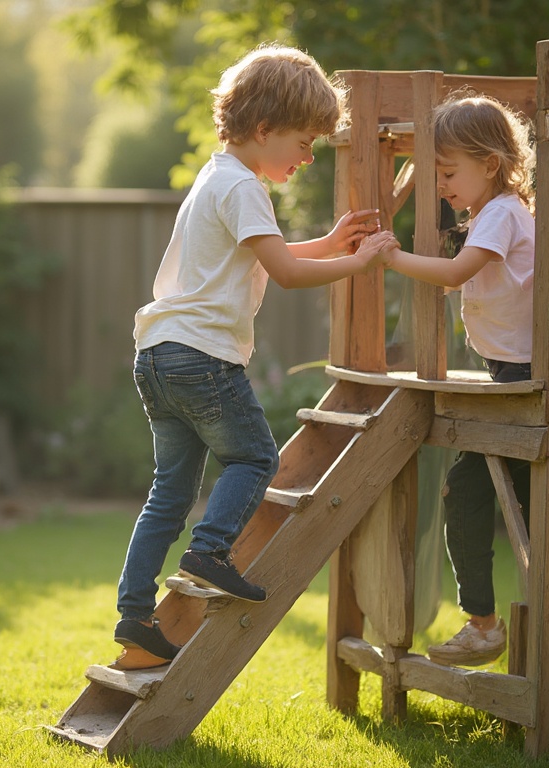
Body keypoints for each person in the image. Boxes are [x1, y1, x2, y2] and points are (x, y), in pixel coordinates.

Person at [112, 44, 399, 670]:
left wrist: (329, 242)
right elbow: (288, 275)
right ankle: (212, 551)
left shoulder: (218, 176)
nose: (307, 156)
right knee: (255, 456)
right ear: (263, 128)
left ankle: (135, 614)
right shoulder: (246, 189)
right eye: (302, 142)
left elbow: (265, 254)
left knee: (169, 491)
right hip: (203, 357)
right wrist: (361, 259)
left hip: (158, 355)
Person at [378, 92, 535, 667]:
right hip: (510, 370)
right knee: (508, 492)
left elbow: (454, 273)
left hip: (523, 374)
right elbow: (453, 280)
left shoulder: (500, 214)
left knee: (468, 490)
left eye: (447, 171)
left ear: (490, 164)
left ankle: (486, 624)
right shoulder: (493, 214)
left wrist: (390, 258)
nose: (440, 184)